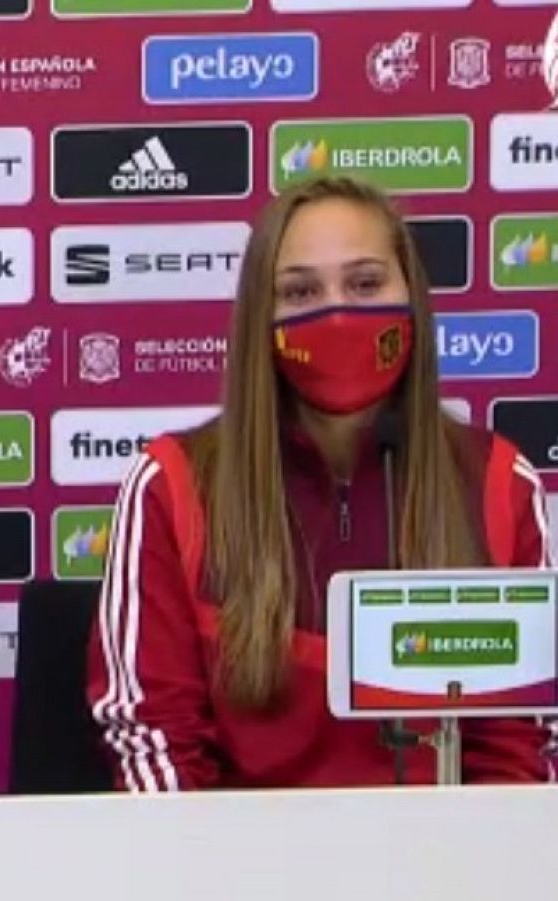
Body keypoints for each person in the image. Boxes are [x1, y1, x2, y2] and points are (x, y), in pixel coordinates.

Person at [87, 175, 554, 789]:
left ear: (411, 295)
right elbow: (157, 746)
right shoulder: (171, 486)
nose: (338, 314)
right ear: (262, 316)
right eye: (301, 291)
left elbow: (518, 751)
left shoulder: (497, 482)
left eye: (365, 283)